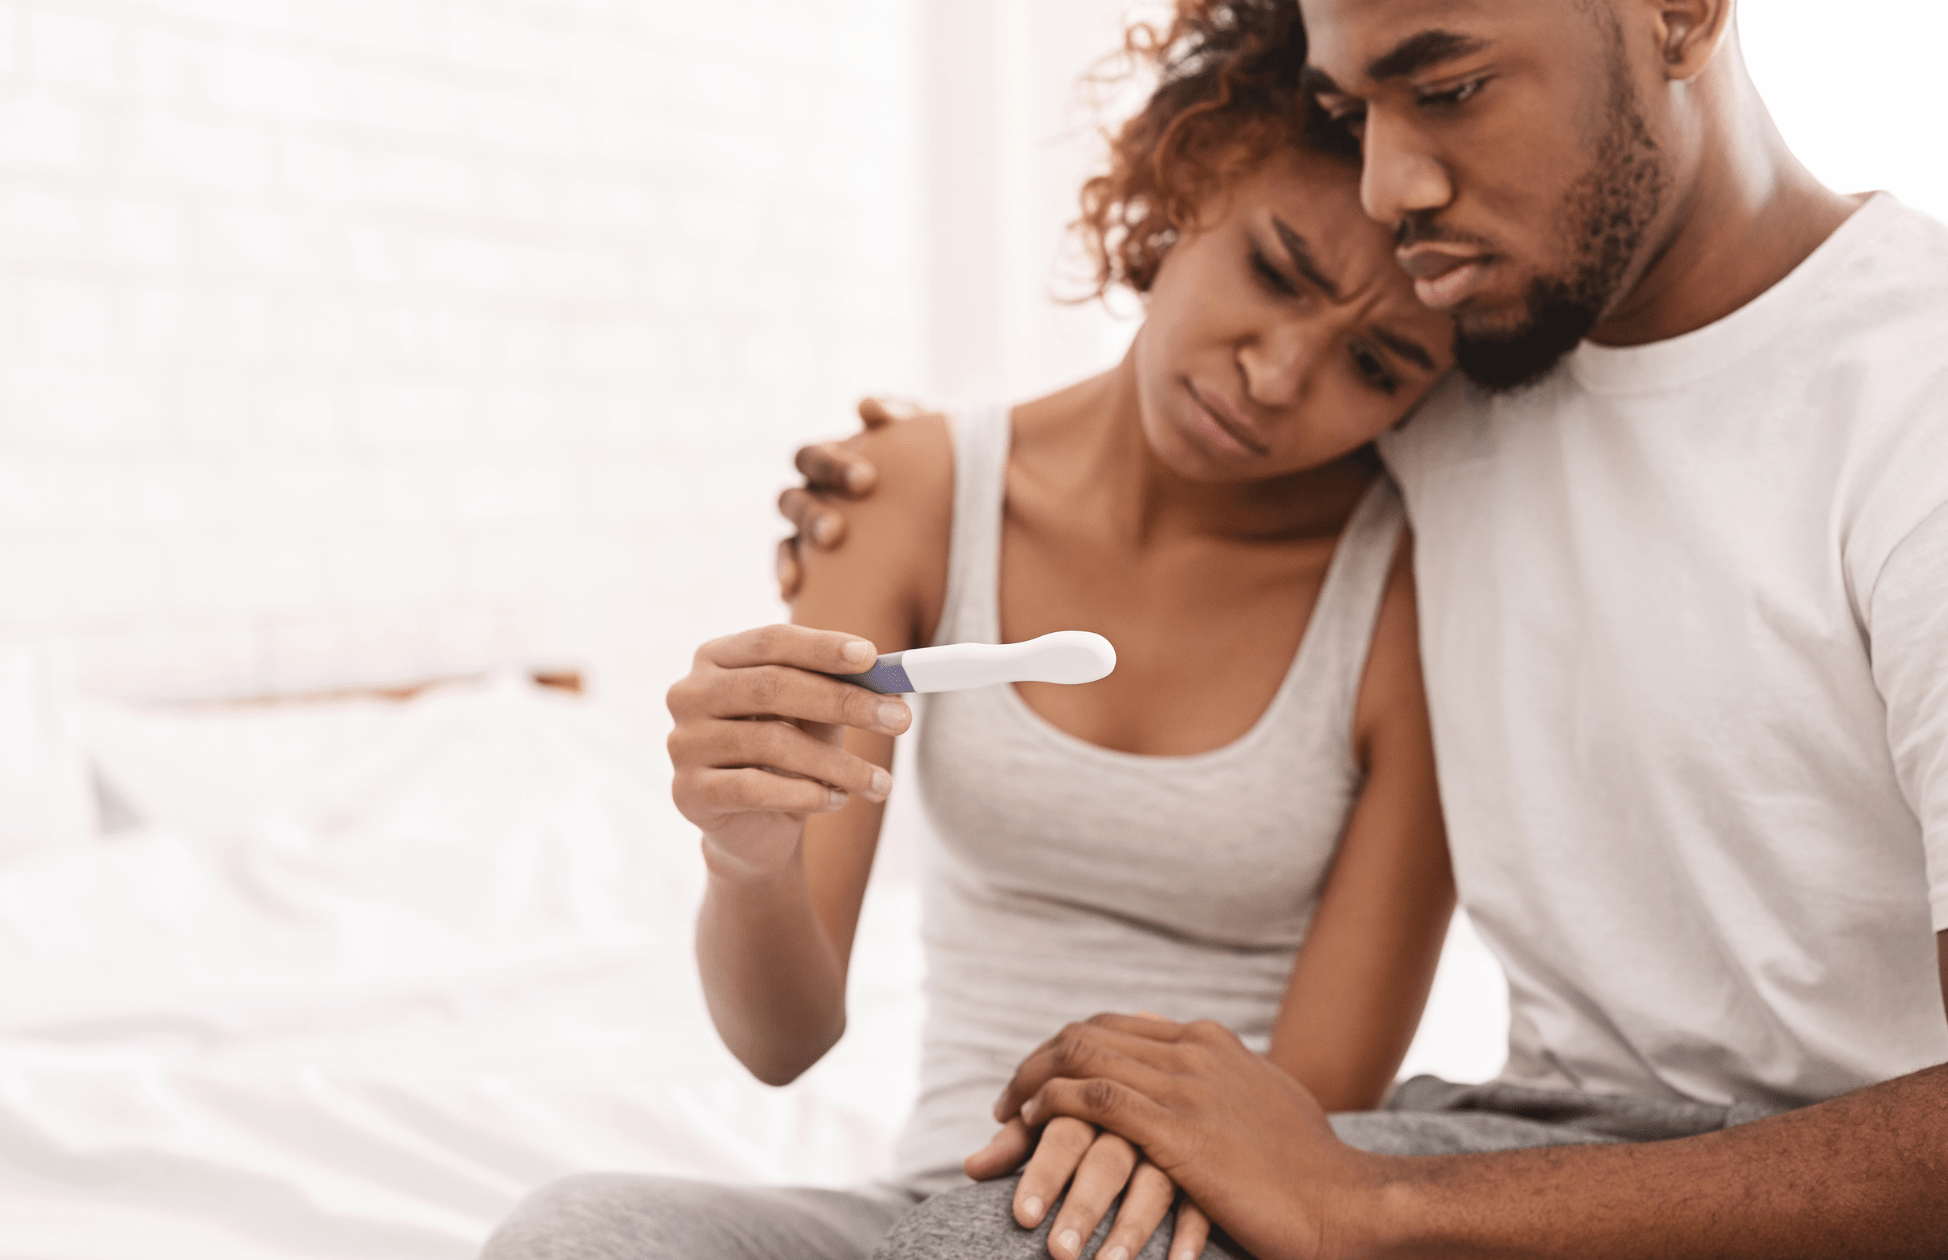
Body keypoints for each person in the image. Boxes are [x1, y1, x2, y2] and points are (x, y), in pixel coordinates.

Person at [783, 0, 1948, 1256]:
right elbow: (1185, 434)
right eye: (1348, 110)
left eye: (1443, 89)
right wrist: (911, 485)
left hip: (1866, 1185)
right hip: (1523, 1127)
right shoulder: (1459, 364)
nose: (1388, 184)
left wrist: (1366, 1205)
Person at [481, 5, 1466, 1259]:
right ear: (1184, 187)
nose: (1277, 377)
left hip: (1196, 1217)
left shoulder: (1404, 595)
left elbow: (1320, 1103)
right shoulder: (910, 493)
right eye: (1275, 271)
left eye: (1374, 367)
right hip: (926, 1207)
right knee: (576, 1230)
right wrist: (748, 858)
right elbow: (781, 1043)